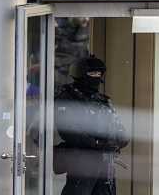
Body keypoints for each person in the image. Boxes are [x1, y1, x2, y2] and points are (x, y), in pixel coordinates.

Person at [54, 55, 129, 195]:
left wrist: (116, 142)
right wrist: (97, 143)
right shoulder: (67, 97)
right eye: (91, 73)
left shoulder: (102, 100)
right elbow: (68, 131)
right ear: (80, 74)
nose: (96, 77)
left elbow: (120, 130)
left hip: (105, 162)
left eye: (98, 74)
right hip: (82, 161)